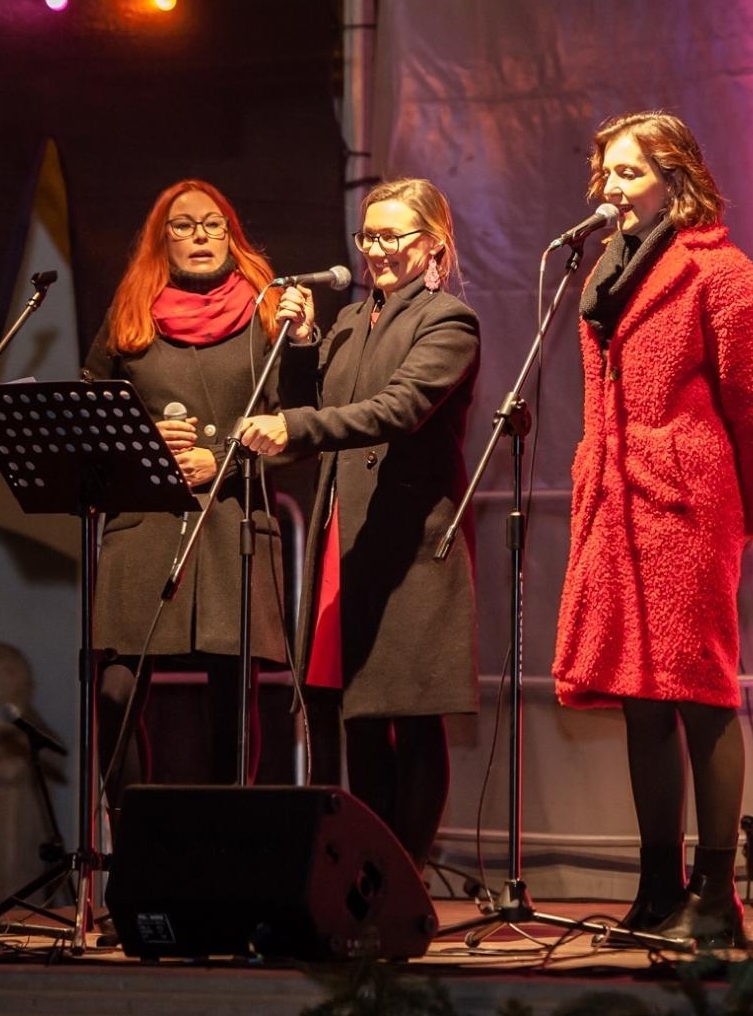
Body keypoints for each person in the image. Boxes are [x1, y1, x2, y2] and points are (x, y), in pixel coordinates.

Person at [551, 111, 753, 948]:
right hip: (618, 499)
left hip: (687, 501)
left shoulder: (723, 273)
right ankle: (657, 887)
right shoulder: (604, 272)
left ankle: (716, 895)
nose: (610, 189)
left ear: (674, 178)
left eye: (628, 173)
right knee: (640, 697)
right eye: (606, 174)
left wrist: (752, 513)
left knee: (702, 693)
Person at [237, 177, 480, 870]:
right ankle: (368, 878)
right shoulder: (350, 320)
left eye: (392, 235)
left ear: (433, 241)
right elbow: (311, 427)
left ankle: (403, 875)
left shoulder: (448, 321)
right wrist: (305, 345)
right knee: (360, 717)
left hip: (409, 544)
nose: (376, 249)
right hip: (348, 535)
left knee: (411, 711)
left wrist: (295, 421)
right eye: (367, 235)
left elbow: (396, 410)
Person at [83, 179, 292, 803]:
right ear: (160, 239)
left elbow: (299, 419)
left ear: (232, 234)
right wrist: (141, 436)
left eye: (213, 225)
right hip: (145, 526)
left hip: (234, 524)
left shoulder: (268, 309)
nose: (199, 237)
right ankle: (135, 852)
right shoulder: (130, 312)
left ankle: (222, 852)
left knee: (233, 698)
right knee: (114, 694)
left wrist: (220, 459)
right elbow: (90, 412)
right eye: (183, 226)